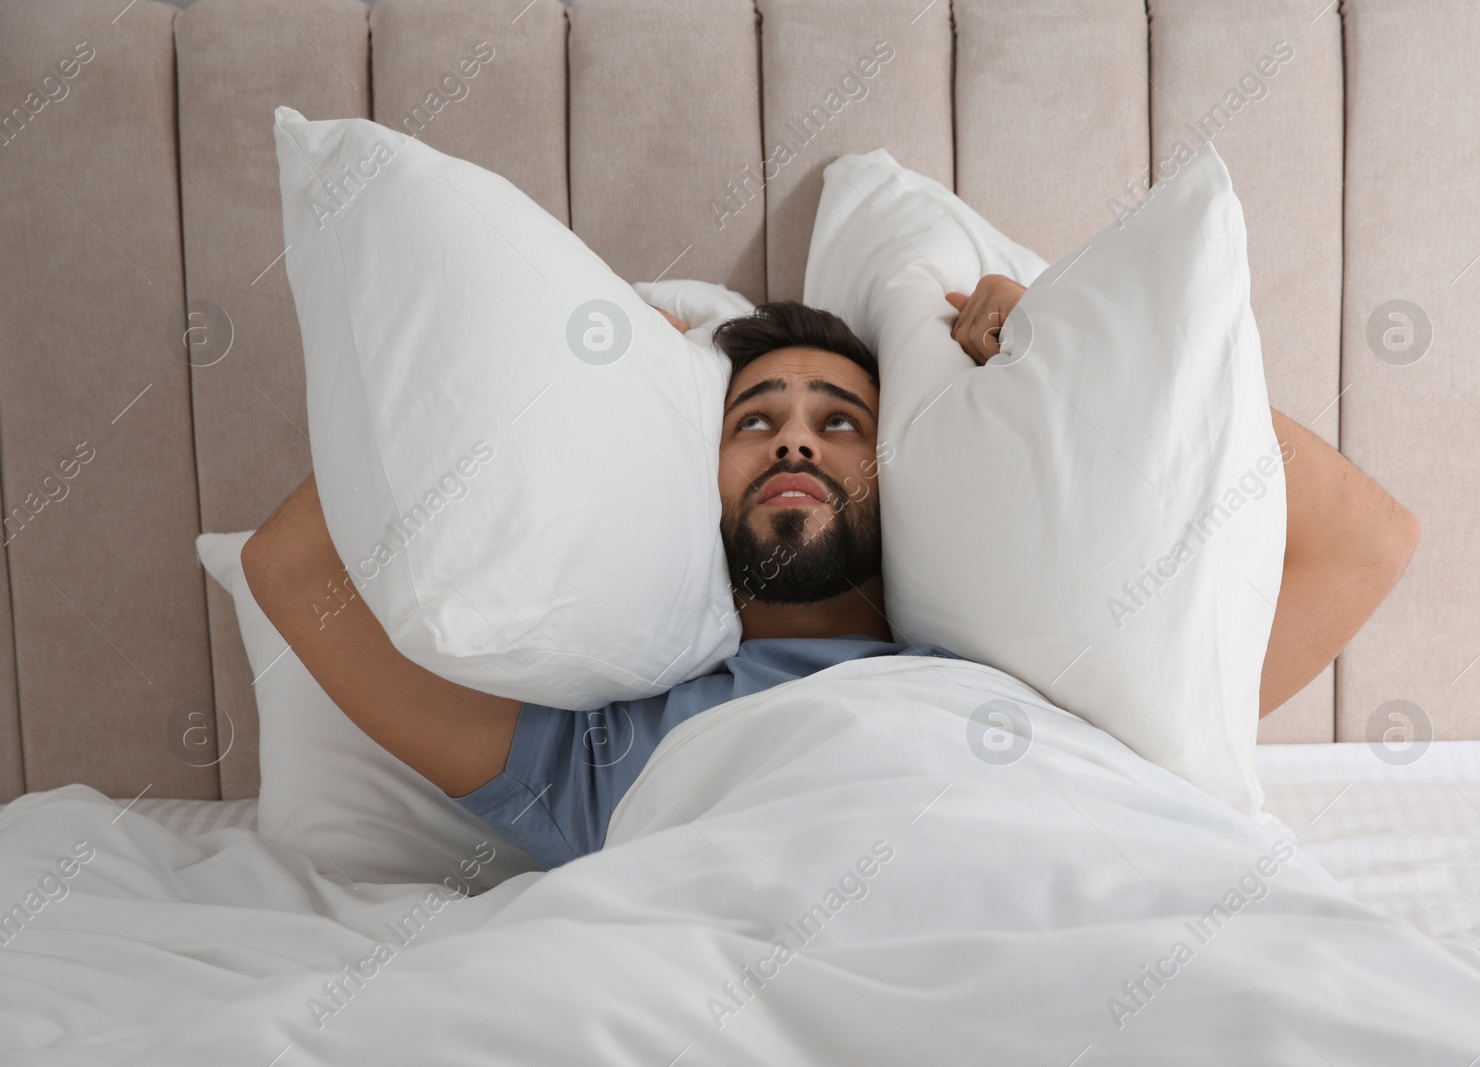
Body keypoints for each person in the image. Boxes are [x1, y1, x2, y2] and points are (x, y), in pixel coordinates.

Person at [242, 278, 1419, 870]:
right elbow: (292, 566)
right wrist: (564, 390)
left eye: (841, 421)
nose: (797, 440)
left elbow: (1367, 538)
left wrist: (1076, 347)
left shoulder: (1053, 684)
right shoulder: (596, 753)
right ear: (693, 481)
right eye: (754, 419)